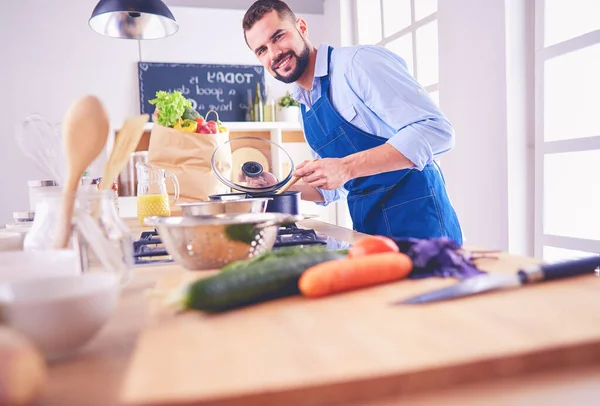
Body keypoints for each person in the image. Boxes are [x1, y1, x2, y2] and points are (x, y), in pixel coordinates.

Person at [242, 0, 463, 244]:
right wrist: (277, 188)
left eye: (278, 37)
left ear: (302, 28)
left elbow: (436, 130)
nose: (274, 53)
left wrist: (347, 167)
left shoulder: (357, 64)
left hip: (421, 225)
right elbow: (333, 186)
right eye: (261, 50)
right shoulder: (305, 106)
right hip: (369, 235)